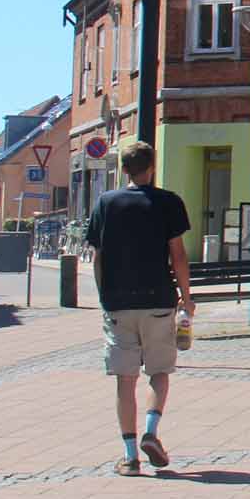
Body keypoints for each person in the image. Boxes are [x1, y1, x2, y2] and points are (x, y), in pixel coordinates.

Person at [86, 140, 193, 476]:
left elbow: (97, 257)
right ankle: (151, 430)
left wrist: (106, 296)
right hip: (158, 299)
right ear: (152, 166)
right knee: (159, 373)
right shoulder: (168, 202)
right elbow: (178, 255)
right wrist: (186, 296)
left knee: (124, 380)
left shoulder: (105, 203)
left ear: (124, 169)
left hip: (118, 303)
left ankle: (130, 456)